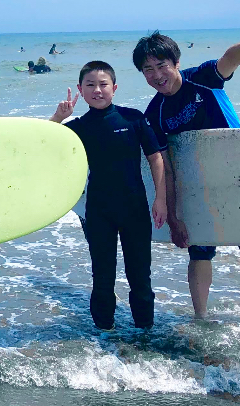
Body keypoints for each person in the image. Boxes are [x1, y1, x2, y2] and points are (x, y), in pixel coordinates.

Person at [134, 8, 240, 320]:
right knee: (198, 250)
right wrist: (173, 218)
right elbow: (167, 168)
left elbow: (228, 60)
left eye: (161, 65)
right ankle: (200, 316)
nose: (156, 74)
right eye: (148, 70)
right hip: (200, 186)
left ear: (176, 63)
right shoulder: (154, 114)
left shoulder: (201, 79)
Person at [49, 61, 167, 330]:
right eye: (90, 85)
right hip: (99, 212)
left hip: (135, 209)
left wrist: (160, 199)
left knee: (140, 276)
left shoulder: (133, 118)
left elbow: (156, 159)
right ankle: (104, 335)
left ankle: (144, 333)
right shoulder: (78, 126)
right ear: (80, 89)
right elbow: (43, 145)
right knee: (102, 277)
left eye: (103, 84)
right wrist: (58, 118)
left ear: (114, 88)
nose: (97, 90)